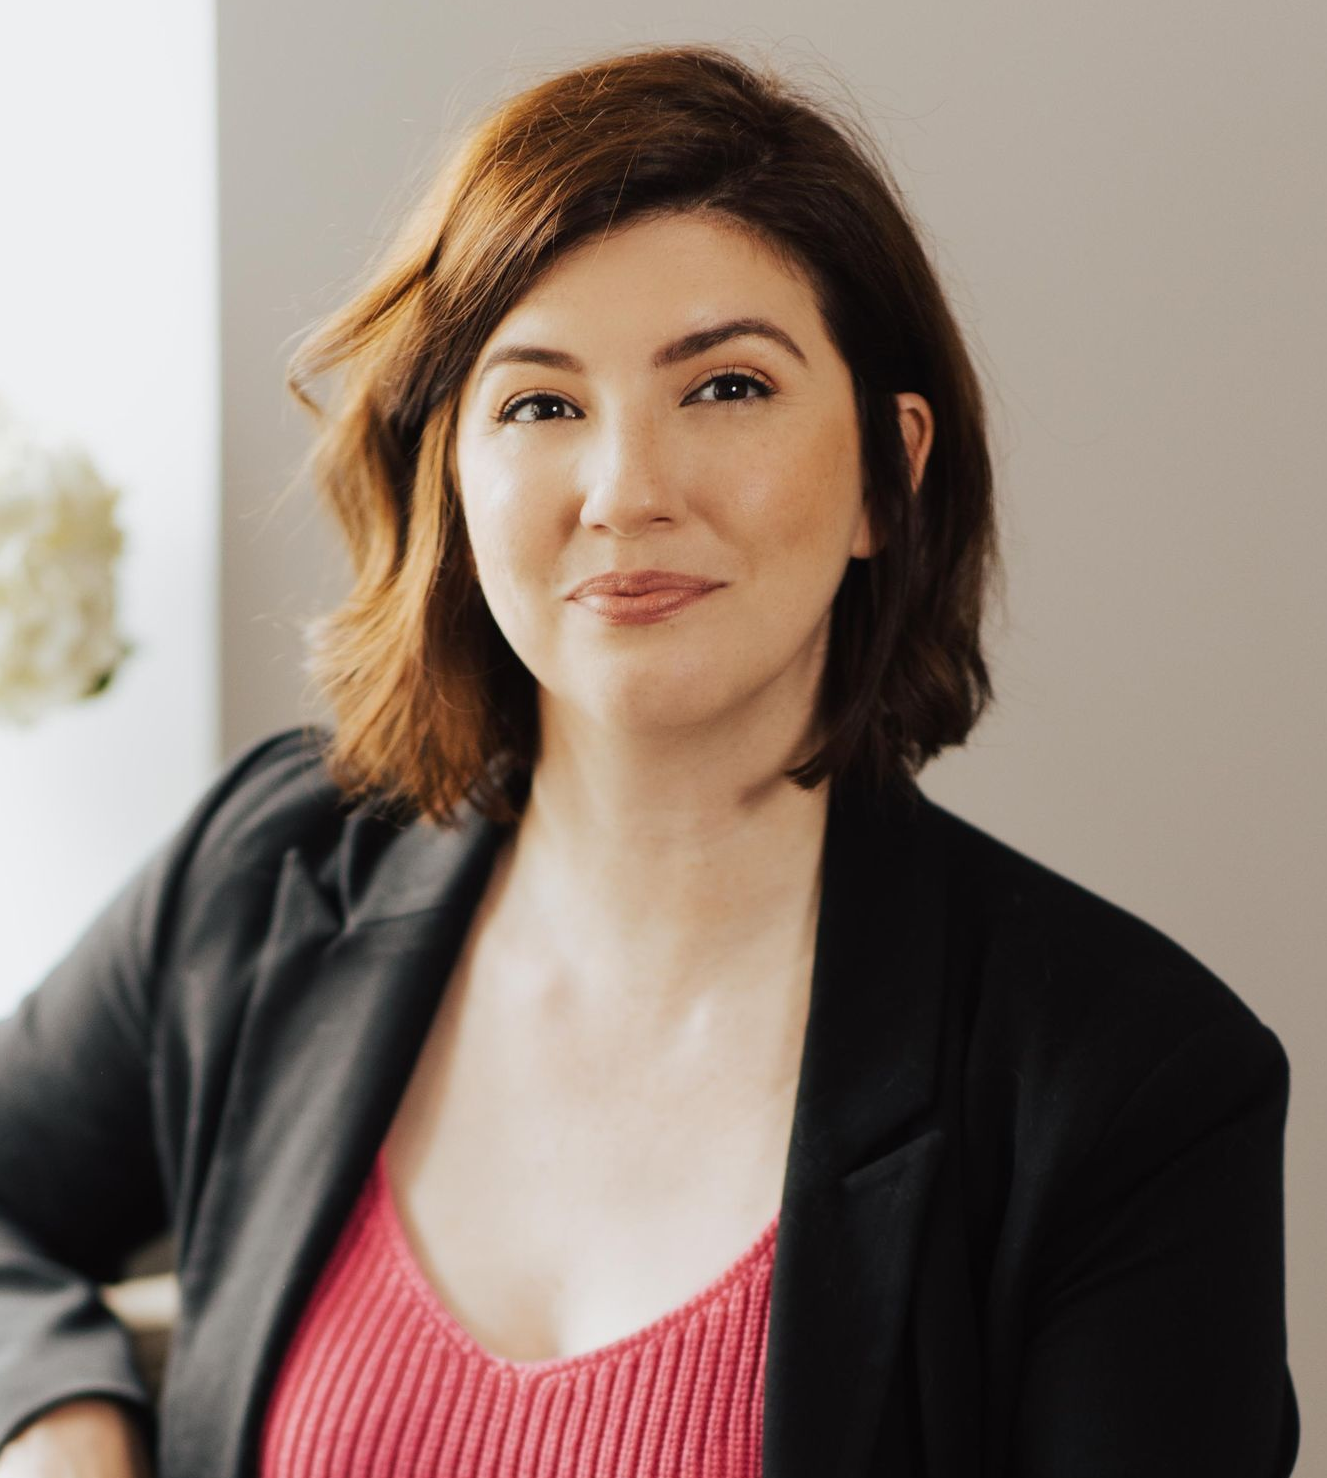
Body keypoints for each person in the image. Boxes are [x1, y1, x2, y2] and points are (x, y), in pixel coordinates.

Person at [0, 39, 1297, 1478]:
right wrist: (56, 1419)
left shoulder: (1133, 1086)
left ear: (889, 470)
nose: (625, 492)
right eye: (540, 404)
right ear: (454, 478)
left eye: (727, 387)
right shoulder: (267, 864)